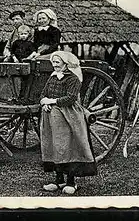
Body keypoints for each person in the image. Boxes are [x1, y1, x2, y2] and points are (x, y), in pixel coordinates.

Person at [39, 51, 97, 195]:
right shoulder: (52, 77)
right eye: (53, 62)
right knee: (54, 146)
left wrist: (51, 101)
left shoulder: (73, 79)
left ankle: (71, 182)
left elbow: (70, 98)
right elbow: (43, 93)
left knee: (68, 147)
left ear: (66, 64)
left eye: (58, 62)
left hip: (69, 116)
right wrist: (43, 103)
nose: (55, 64)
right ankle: (59, 181)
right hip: (51, 117)